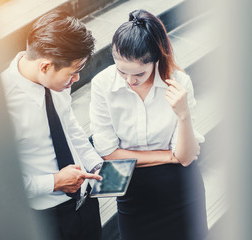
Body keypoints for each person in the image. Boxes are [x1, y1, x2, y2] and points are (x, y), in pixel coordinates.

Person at [89, 9, 208, 240]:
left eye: (139, 74)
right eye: (121, 71)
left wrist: (183, 114)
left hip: (179, 187)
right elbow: (108, 153)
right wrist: (167, 156)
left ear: (155, 60)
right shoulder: (102, 85)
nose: (129, 81)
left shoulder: (179, 83)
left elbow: (184, 157)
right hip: (131, 185)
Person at [1, 10, 104, 240]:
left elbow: (69, 126)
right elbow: (2, 184)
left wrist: (95, 163)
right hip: (48, 218)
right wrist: (54, 182)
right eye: (73, 72)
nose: (76, 79)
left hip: (86, 203)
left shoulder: (58, 85)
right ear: (45, 66)